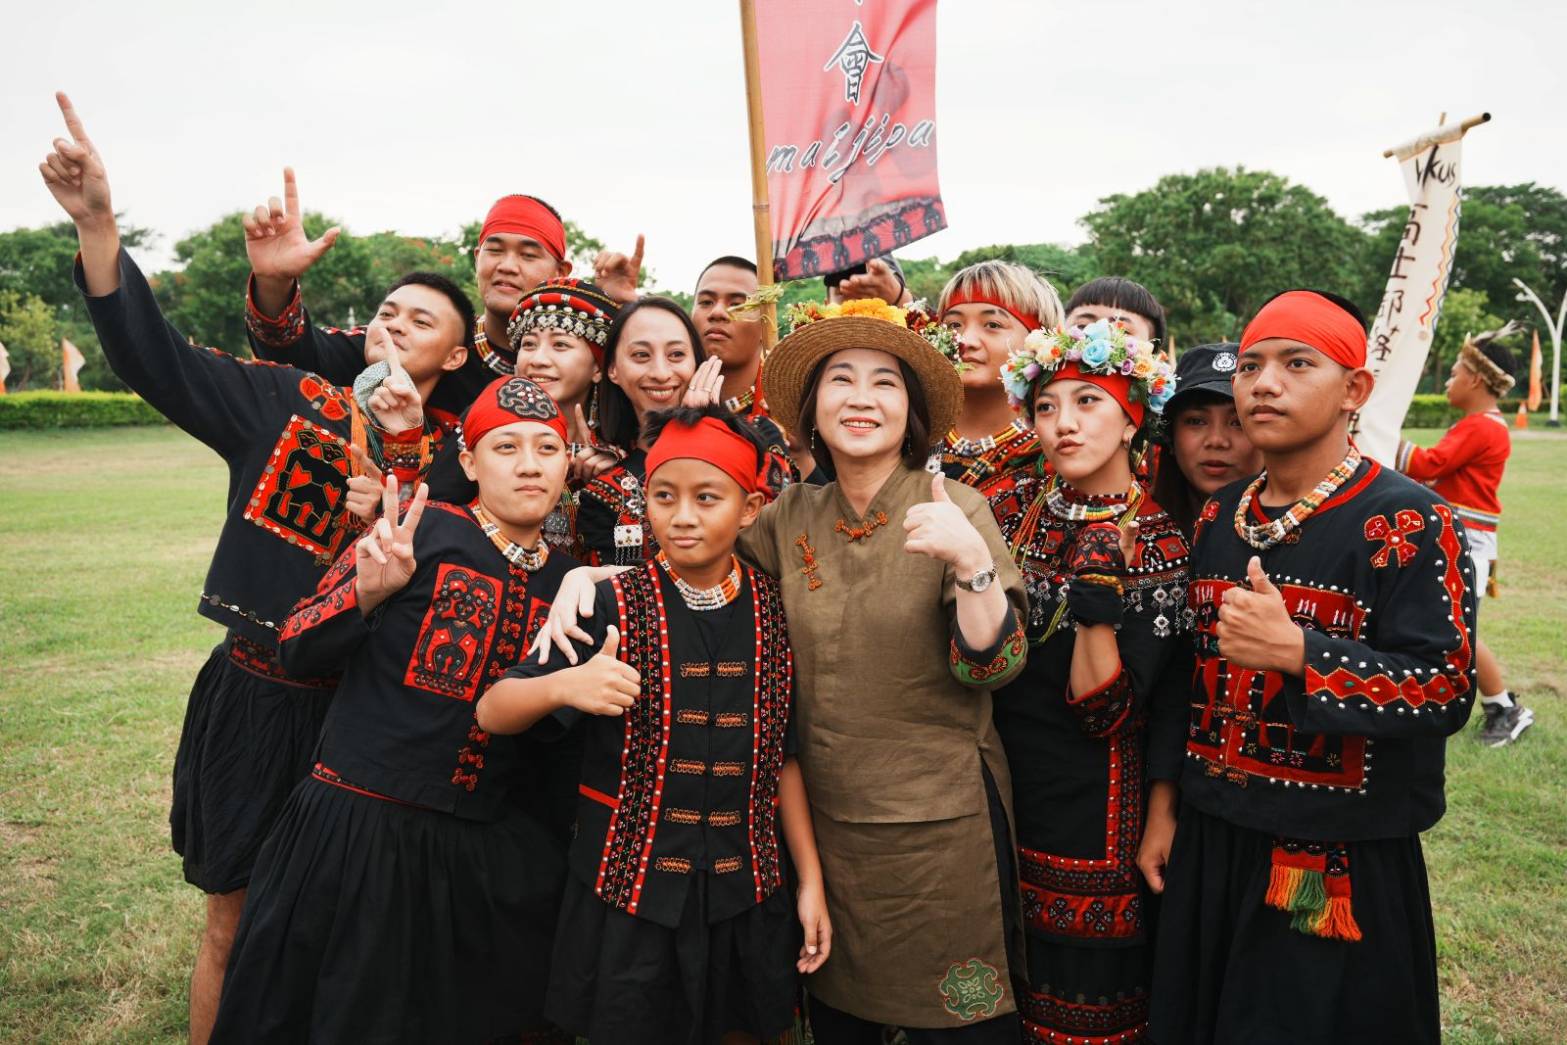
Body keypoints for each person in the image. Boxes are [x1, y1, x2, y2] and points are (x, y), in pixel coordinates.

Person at [37, 93, 468, 1045]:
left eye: (423, 319)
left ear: (460, 349)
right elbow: (153, 359)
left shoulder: (468, 458)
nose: (397, 325)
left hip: (369, 720)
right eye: (387, 310)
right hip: (258, 691)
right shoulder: (283, 400)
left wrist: (401, 463)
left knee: (345, 932)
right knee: (231, 920)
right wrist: (100, 225)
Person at [542, 298, 1030, 1039]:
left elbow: (993, 665)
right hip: (820, 827)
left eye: (884, 383)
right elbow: (692, 560)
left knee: (963, 1023)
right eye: (840, 379)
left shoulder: (956, 506)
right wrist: (591, 579)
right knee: (838, 1019)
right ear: (811, 407)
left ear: (913, 411)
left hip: (937, 827)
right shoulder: (787, 516)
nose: (860, 398)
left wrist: (970, 565)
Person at [1145, 289, 1477, 1044]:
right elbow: (1182, 674)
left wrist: (1302, 653)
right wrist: (1166, 808)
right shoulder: (1217, 515)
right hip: (1210, 840)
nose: (1264, 383)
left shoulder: (1409, 520)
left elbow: (1445, 688)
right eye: (1252, 365)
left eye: (1297, 364)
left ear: (1353, 389)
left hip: (1328, 865)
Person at [208, 376, 580, 1042]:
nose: (529, 464)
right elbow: (296, 643)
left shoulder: (567, 579)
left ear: (567, 459)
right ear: (467, 462)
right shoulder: (420, 530)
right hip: (359, 828)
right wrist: (368, 594)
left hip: (476, 840)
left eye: (546, 447)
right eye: (505, 447)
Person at [479, 405, 831, 1044]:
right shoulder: (608, 601)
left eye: (707, 497)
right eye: (664, 497)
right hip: (630, 893)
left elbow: (784, 761)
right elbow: (494, 709)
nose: (684, 516)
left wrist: (810, 883)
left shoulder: (776, 612)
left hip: (746, 891)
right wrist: (566, 684)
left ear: (750, 509)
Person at [981, 319, 1188, 1043]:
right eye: (1045, 406)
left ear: (1132, 418)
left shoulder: (1159, 540)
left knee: (1082, 1004)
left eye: (1088, 402)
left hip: (1093, 804)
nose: (1062, 423)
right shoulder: (1008, 510)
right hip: (1000, 783)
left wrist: (1096, 599)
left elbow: (1106, 713)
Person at [241, 176, 574, 414]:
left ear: (561, 273)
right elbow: (299, 355)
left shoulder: (585, 363)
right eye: (495, 250)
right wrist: (274, 283)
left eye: (528, 255)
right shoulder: (424, 342)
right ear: (477, 259)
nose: (507, 266)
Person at [1396, 325, 1532, 747]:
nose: (1450, 381)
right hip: (1461, 541)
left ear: (1474, 379)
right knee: (1449, 628)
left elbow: (1427, 464)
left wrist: (1382, 434)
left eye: (1454, 374)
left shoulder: (1482, 428)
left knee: (1459, 634)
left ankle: (1505, 708)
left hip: (1467, 544)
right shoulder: (1478, 424)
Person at [507, 277, 621, 556]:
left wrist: (615, 481)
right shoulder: (483, 434)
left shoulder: (623, 448)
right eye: (529, 344)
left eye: (560, 345)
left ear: (598, 368)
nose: (538, 360)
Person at [933, 260, 1065, 486]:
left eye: (992, 324)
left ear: (1039, 342)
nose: (966, 340)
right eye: (954, 325)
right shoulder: (907, 435)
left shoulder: (1058, 450)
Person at [691, 256, 813, 482]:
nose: (717, 312)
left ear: (766, 321)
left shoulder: (799, 411)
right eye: (706, 302)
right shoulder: (663, 392)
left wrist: (803, 455)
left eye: (738, 303)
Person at [1151, 343, 1263, 540]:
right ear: (1170, 436)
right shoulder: (1131, 532)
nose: (1217, 440)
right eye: (1196, 421)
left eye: (1238, 422)